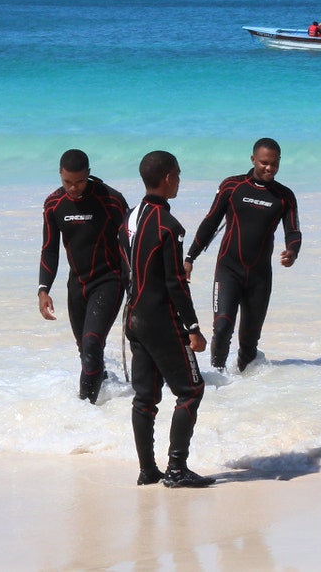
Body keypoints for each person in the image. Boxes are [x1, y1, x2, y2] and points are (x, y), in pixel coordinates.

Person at [123, 151, 214, 488]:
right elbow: (175, 281)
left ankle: (148, 470)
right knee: (191, 390)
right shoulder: (169, 226)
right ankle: (176, 470)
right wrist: (193, 328)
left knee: (145, 397)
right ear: (166, 178)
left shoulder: (130, 218)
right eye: (178, 173)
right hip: (160, 319)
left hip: (133, 316)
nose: (179, 179)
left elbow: (126, 266)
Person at [186, 138, 302, 372]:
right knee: (221, 329)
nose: (269, 168)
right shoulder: (232, 186)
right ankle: (217, 380)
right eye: (264, 163)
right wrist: (190, 258)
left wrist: (292, 252)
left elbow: (294, 232)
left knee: (249, 342)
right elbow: (210, 222)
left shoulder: (284, 196)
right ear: (253, 160)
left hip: (259, 276)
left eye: (275, 164)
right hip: (228, 270)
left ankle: (244, 393)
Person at [38, 149, 129, 405]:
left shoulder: (111, 200)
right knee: (86, 351)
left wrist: (134, 286)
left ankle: (83, 410)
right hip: (77, 284)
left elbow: (128, 245)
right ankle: (104, 393)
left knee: (91, 343)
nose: (73, 188)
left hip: (109, 280)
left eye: (79, 181)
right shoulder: (54, 204)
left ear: (88, 174)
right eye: (67, 182)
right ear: (60, 175)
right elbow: (49, 249)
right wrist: (43, 289)